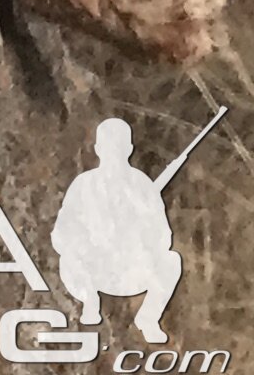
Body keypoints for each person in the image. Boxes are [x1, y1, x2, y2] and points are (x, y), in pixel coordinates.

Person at [54, 116, 186, 343]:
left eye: (119, 147)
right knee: (69, 258)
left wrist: (141, 234)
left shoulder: (142, 187)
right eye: (108, 147)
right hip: (92, 271)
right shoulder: (83, 185)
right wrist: (85, 243)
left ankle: (148, 319)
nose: (113, 153)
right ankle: (90, 303)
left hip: (130, 271)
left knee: (171, 261)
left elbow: (163, 236)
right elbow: (61, 234)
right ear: (98, 149)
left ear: (129, 149)